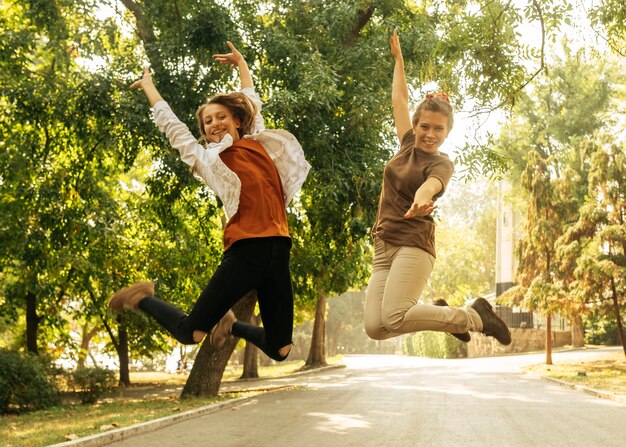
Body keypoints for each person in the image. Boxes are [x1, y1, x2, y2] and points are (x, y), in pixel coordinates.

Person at [109, 41, 311, 362]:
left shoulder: (256, 141)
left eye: (221, 117)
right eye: (208, 122)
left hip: (278, 250)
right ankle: (142, 297)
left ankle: (230, 325)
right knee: (192, 332)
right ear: (203, 130)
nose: (214, 124)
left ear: (238, 121)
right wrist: (150, 88)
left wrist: (242, 63)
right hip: (245, 251)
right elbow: (173, 128)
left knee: (280, 348)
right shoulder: (207, 160)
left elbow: (251, 98)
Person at [363, 30, 511, 346]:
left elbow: (430, 186)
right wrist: (399, 60)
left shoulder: (441, 164)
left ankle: (474, 317)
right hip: (383, 245)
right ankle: (449, 318)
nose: (430, 134)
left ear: (447, 132)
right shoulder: (406, 146)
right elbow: (399, 99)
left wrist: (421, 199)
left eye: (438, 129)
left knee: (393, 317)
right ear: (415, 126)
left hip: (413, 244)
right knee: (375, 328)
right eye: (424, 127)